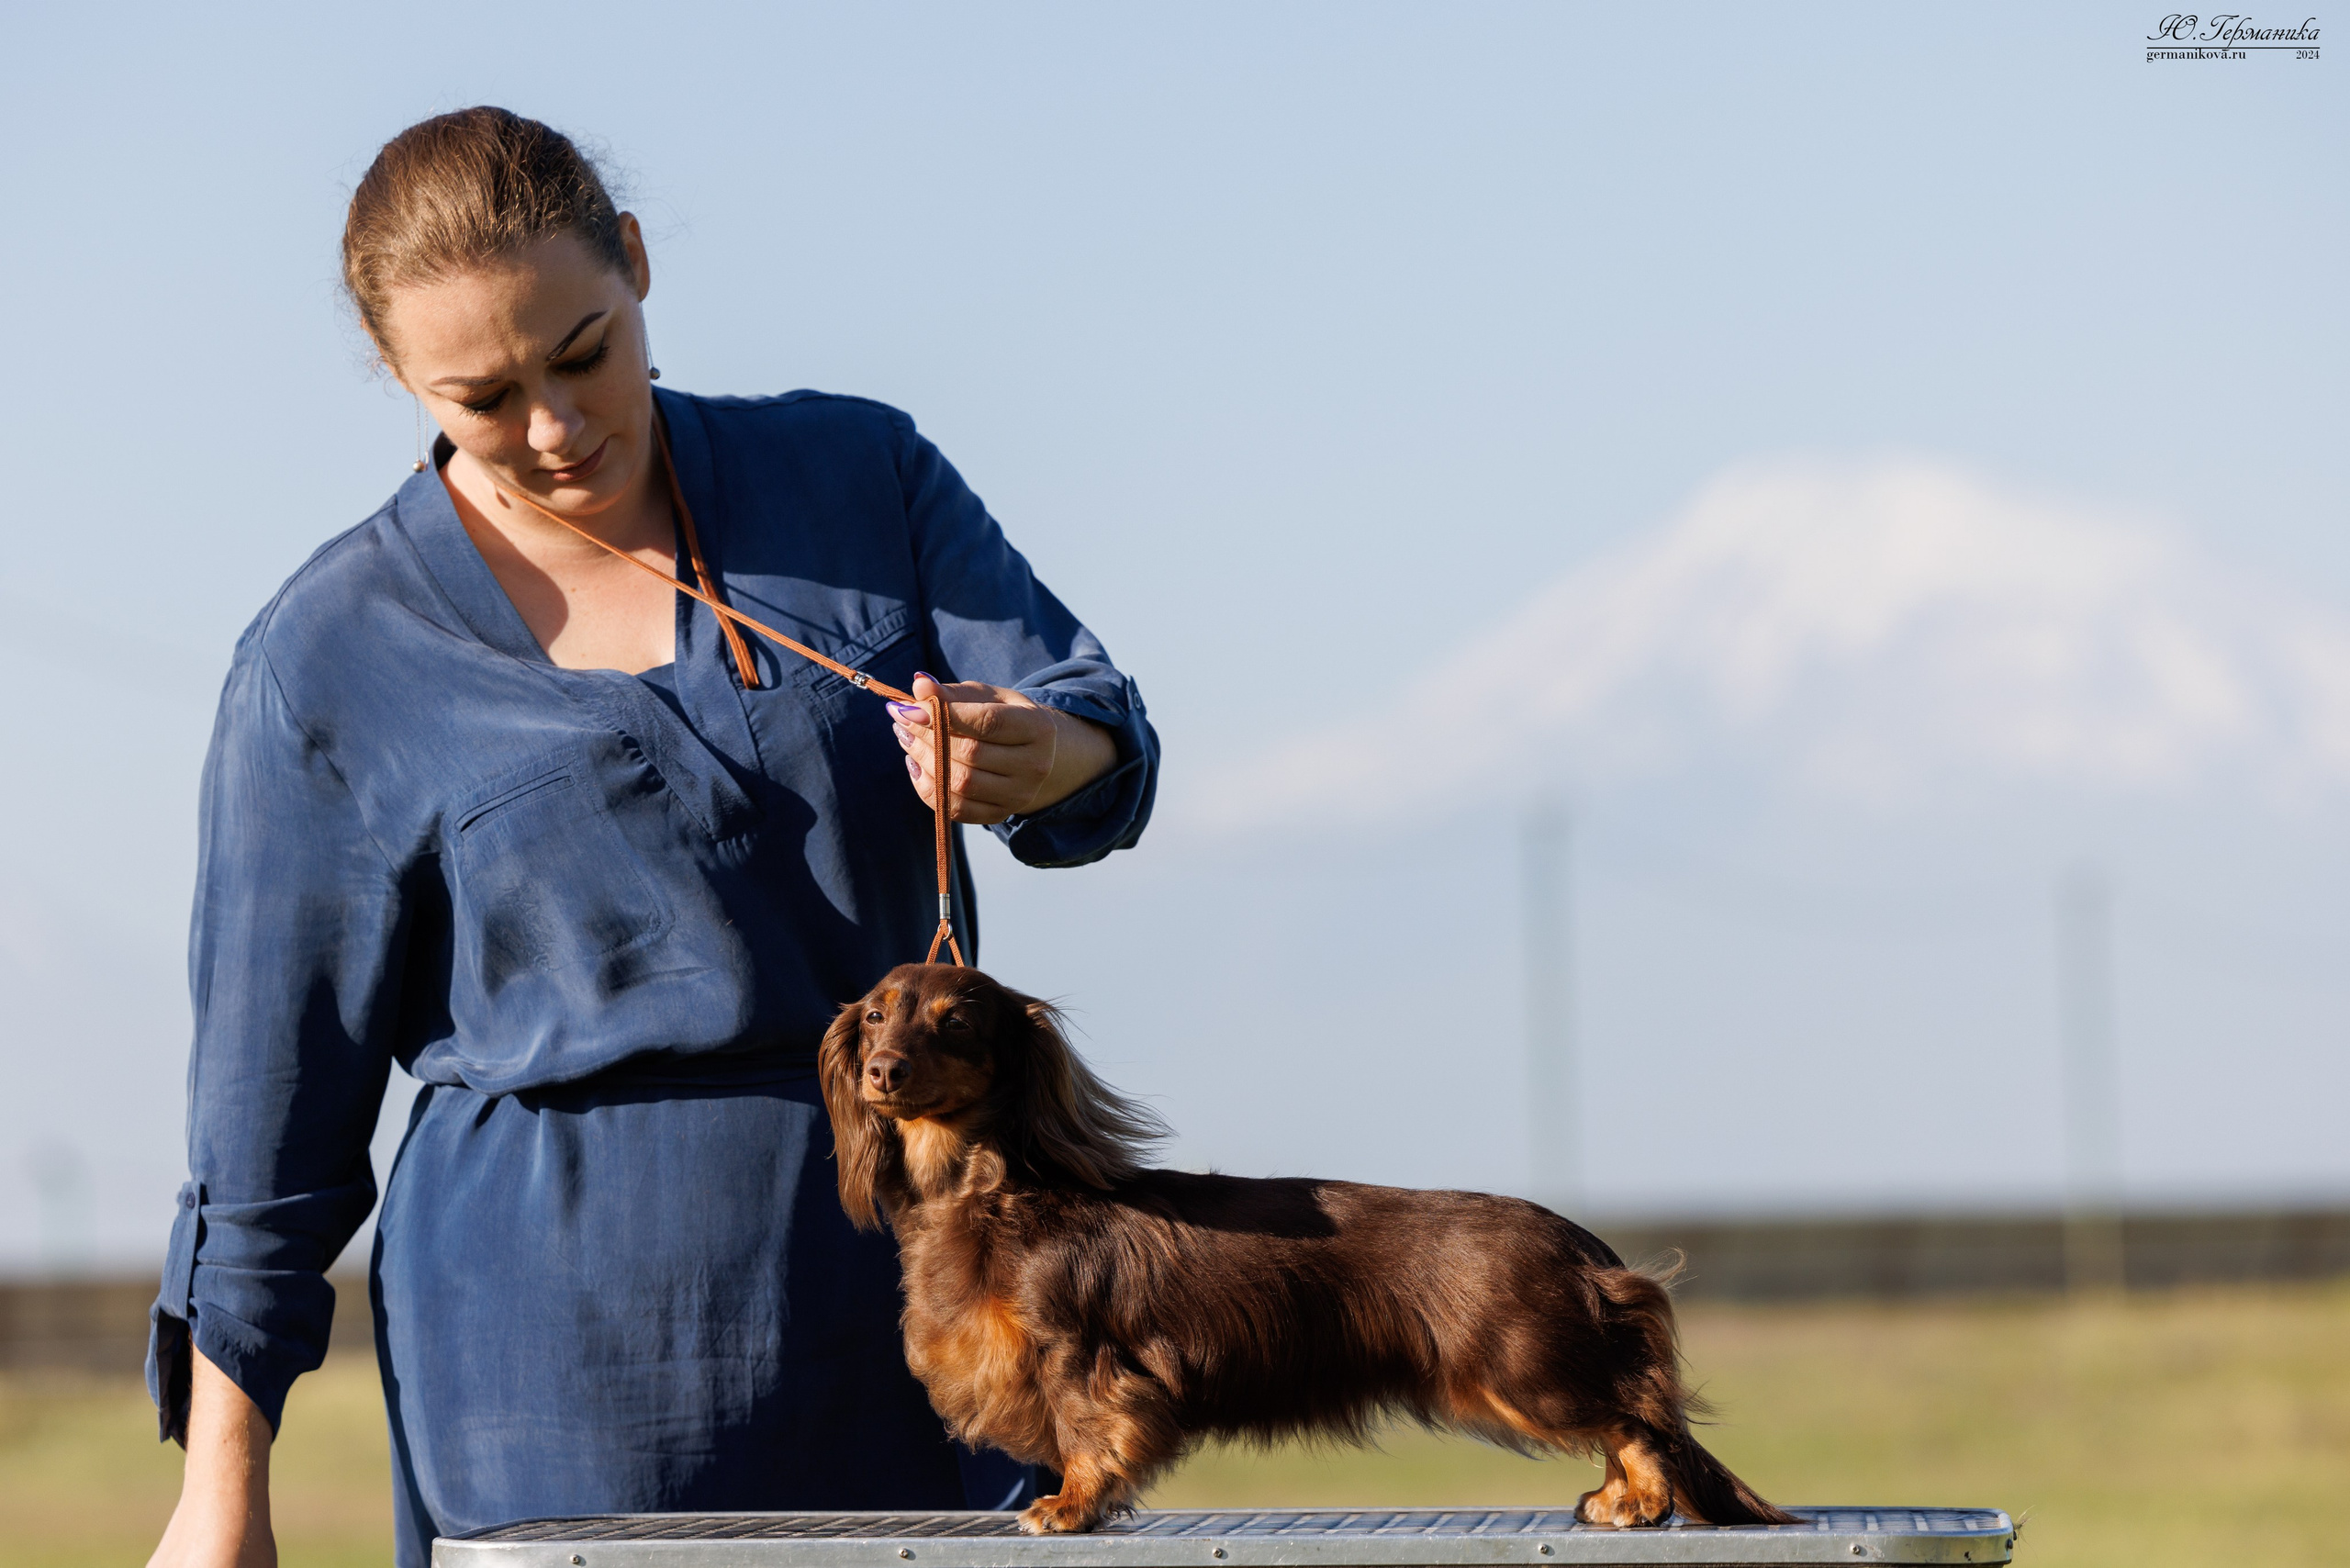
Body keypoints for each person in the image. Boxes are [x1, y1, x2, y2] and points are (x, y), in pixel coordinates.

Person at [145, 106, 1158, 1568]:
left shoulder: (861, 479)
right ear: (398, 379)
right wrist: (220, 1489)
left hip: (942, 1291)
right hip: (550, 1370)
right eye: (483, 398)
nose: (554, 430)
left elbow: (1097, 734)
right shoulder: (324, 657)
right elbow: (265, 1125)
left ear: (632, 264)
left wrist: (1047, 753)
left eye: (582, 351)